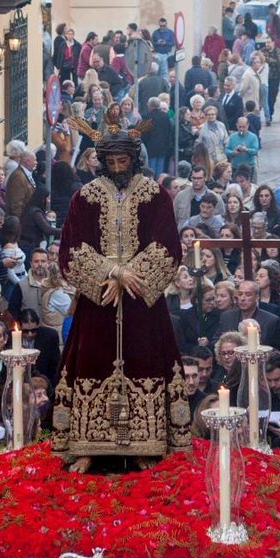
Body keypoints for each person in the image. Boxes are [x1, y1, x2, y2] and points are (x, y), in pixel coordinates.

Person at [53, 114, 190, 470]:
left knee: (146, 360)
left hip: (142, 301)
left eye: (122, 160)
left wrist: (134, 276)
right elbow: (69, 248)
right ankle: (87, 445)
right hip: (99, 299)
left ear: (134, 159)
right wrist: (111, 273)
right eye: (110, 161)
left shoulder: (155, 196)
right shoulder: (84, 198)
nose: (116, 167)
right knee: (91, 363)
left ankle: (149, 442)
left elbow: (169, 245)